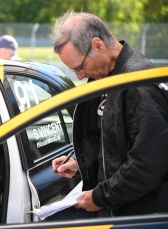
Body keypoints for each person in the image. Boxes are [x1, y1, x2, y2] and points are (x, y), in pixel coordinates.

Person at [50, 10, 168, 220]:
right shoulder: (108, 78)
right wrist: (81, 162)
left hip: (139, 217)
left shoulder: (137, 84)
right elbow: (117, 142)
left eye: (80, 67)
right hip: (119, 211)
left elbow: (148, 163)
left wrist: (100, 198)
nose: (80, 76)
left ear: (98, 45)